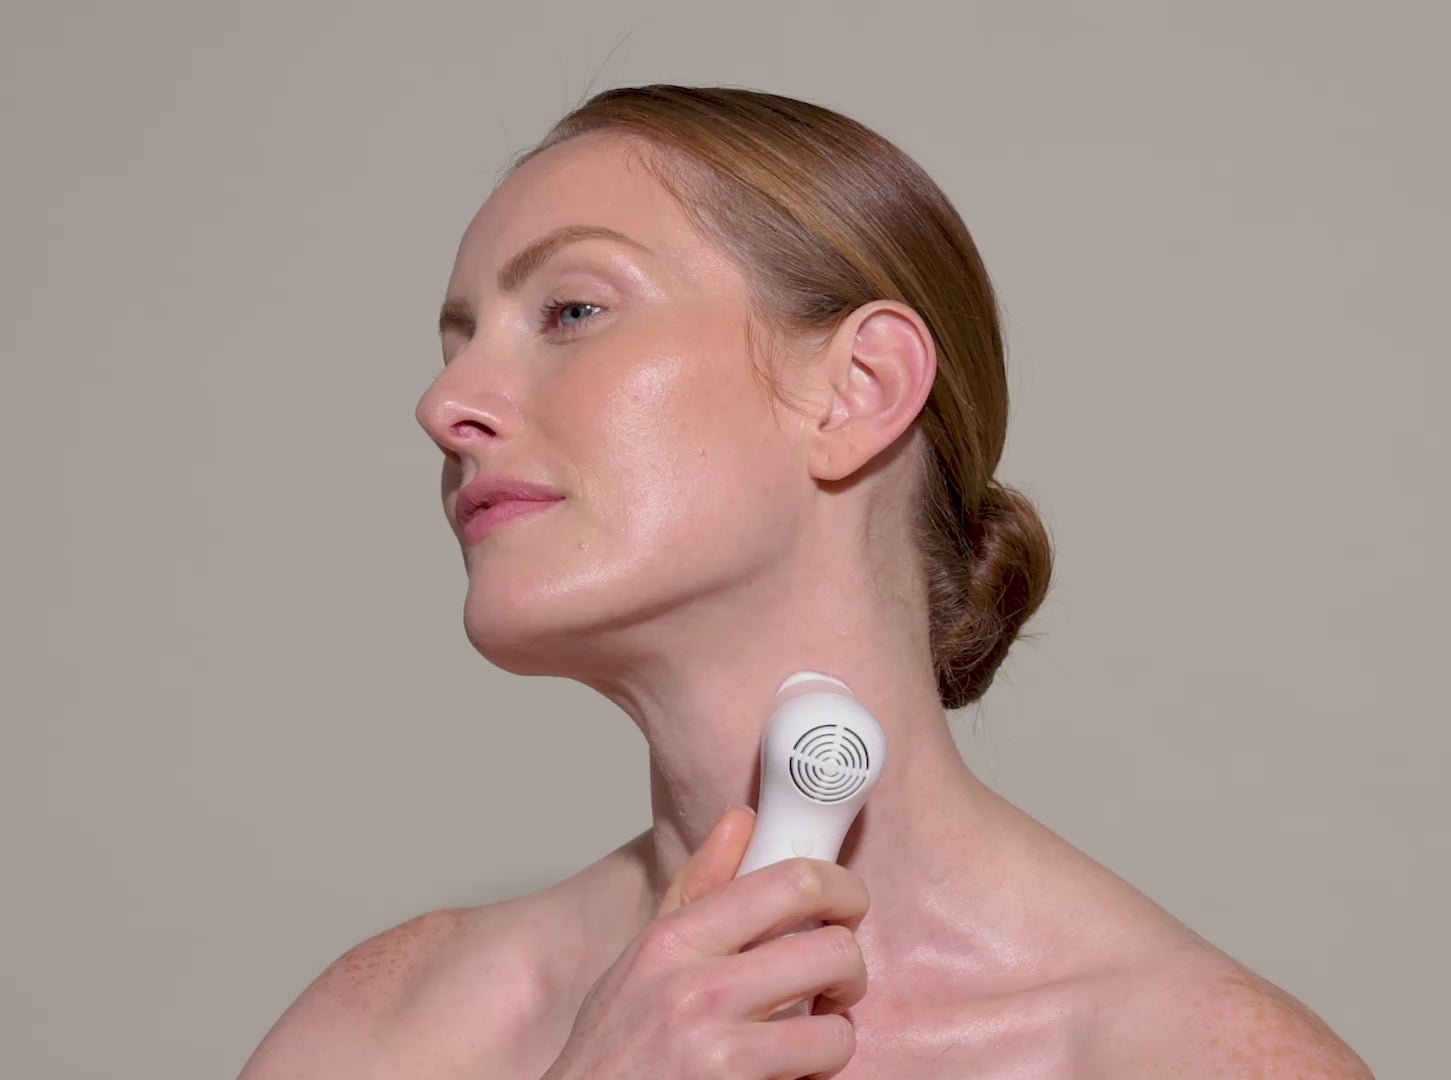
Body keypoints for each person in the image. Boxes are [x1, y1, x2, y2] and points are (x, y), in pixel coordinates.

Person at [239, 84, 1371, 1079]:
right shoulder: (388, 1031)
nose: (445, 407)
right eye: (456, 346)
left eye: (572, 312)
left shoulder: (1200, 1059)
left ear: (858, 388)